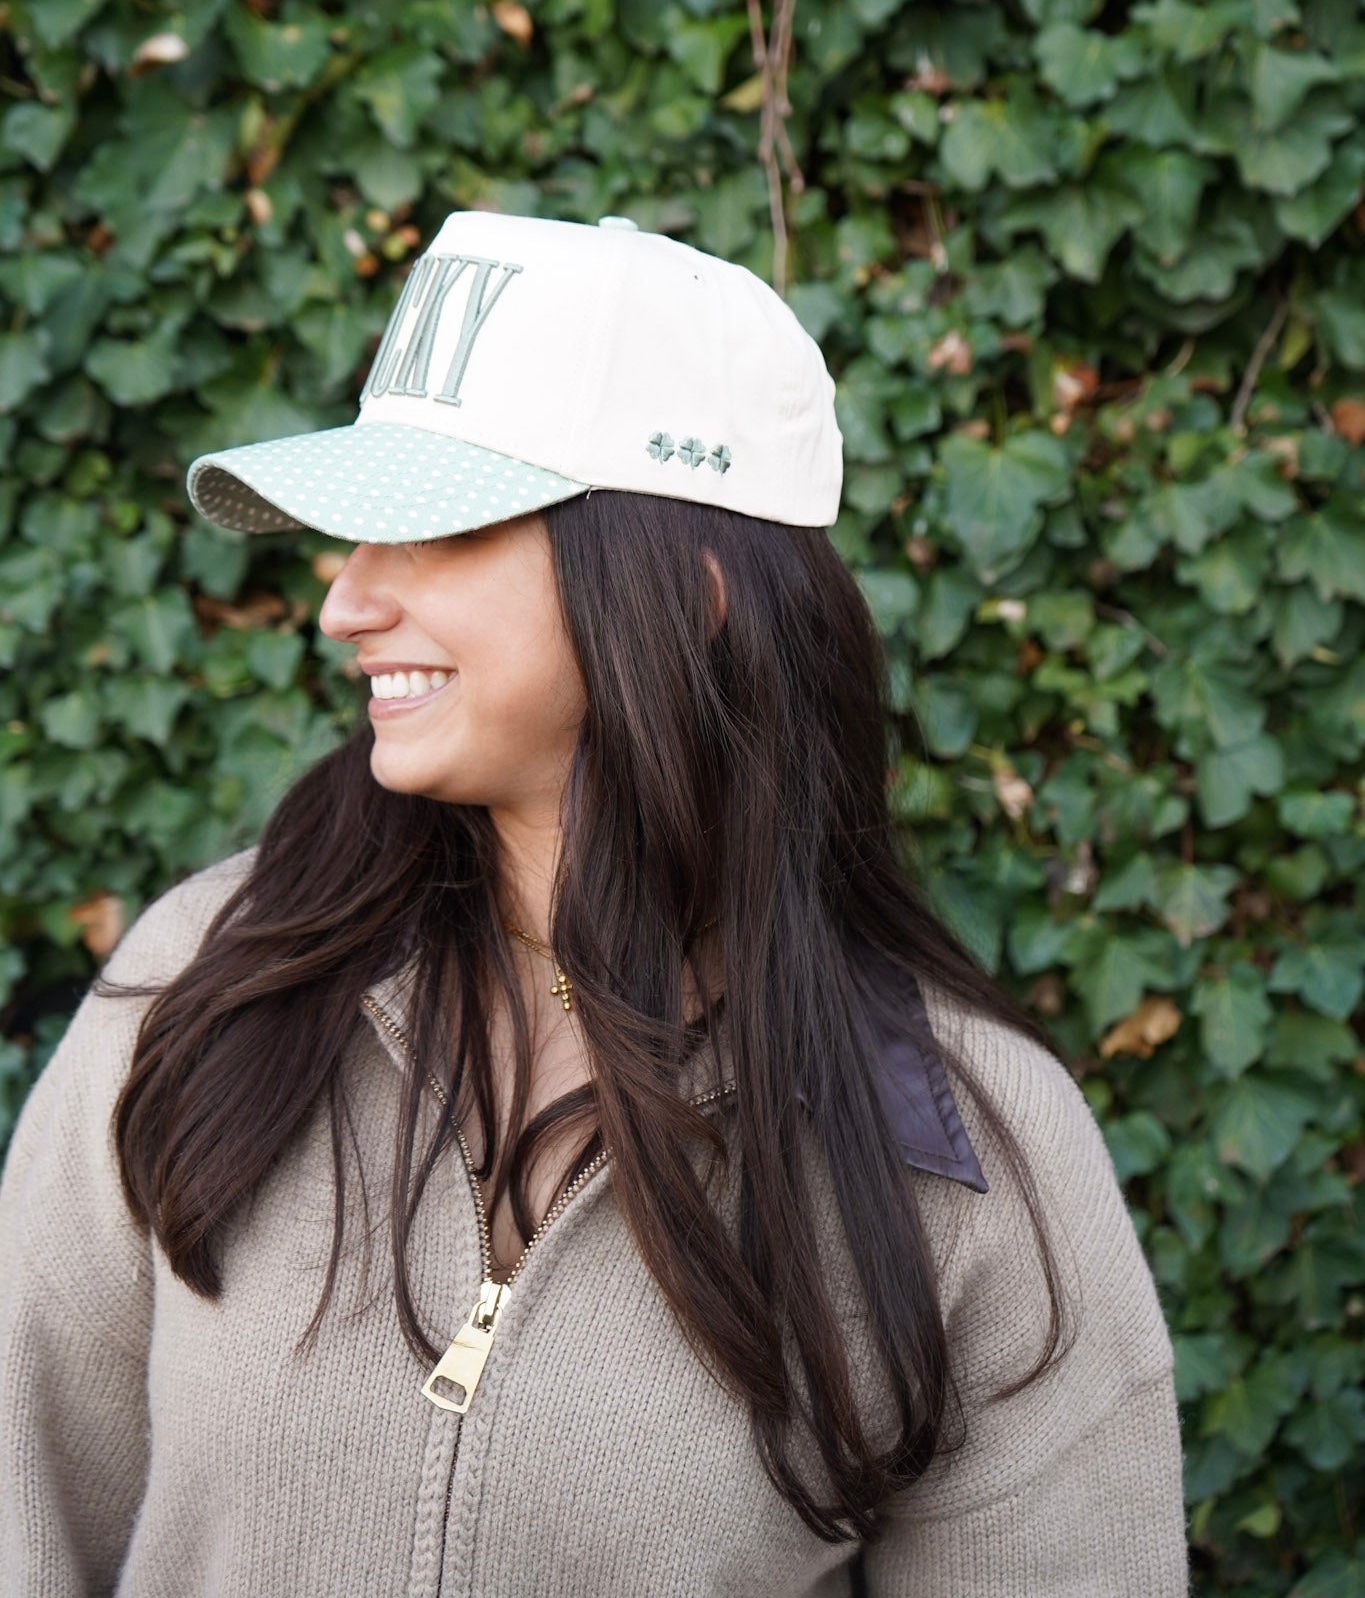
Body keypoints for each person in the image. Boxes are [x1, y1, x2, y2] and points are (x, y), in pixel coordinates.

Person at [0, 210, 1189, 1596]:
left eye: (431, 524)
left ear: (686, 595)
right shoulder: (213, 980)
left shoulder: (964, 1152)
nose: (344, 601)